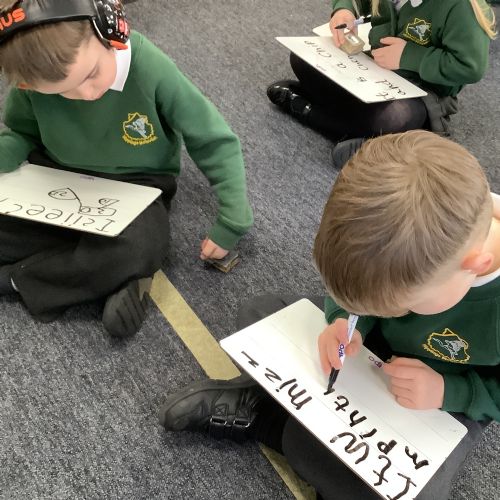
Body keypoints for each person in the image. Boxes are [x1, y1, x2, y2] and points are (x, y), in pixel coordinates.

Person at [160, 130, 500, 499]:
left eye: (402, 306)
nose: (395, 313)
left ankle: (273, 421)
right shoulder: (425, 248)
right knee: (259, 317)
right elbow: (363, 288)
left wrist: (450, 391)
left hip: (442, 398)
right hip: (371, 358)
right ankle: (300, 434)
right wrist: (347, 320)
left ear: (475, 266)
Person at [0, 0, 253, 337]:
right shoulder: (31, 81)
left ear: (110, 31)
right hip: (55, 174)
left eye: (91, 74)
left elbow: (212, 138)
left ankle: (17, 279)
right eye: (62, 92)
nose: (87, 94)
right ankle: (105, 277)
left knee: (140, 247)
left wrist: (233, 218)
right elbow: (22, 132)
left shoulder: (148, 65)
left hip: (137, 185)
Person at [267, 0, 496, 168]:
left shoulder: (461, 7)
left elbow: (470, 67)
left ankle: (312, 114)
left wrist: (409, 56)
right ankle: (376, 141)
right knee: (302, 59)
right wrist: (344, 10)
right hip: (374, 71)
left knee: (393, 117)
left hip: (421, 93)